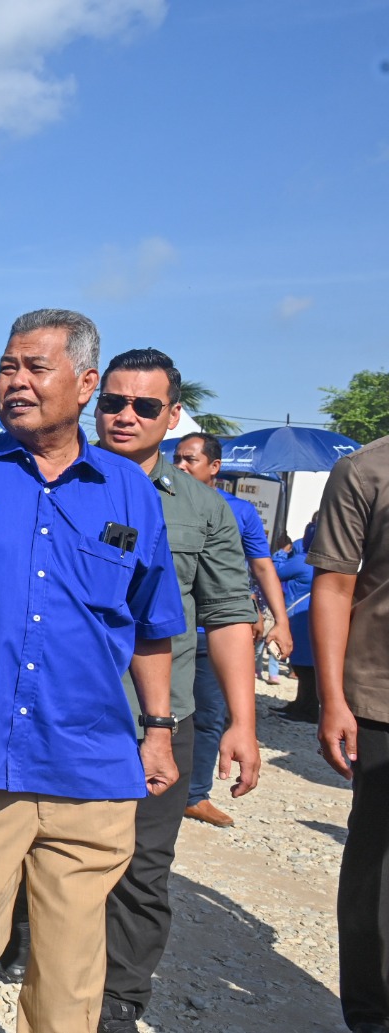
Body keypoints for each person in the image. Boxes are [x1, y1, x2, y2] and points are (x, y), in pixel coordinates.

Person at [0, 309, 184, 1033]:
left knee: (72, 959)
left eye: (34, 367)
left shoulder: (129, 492)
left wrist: (160, 729)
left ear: (84, 383)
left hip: (91, 760)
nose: (15, 381)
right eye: (7, 366)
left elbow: (149, 624)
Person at [91, 348, 261, 1033]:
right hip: (64, 713)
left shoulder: (202, 509)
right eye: (113, 402)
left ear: (173, 414)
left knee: (141, 871)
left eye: (144, 406)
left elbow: (226, 615)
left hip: (160, 721)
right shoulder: (55, 481)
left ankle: (119, 1000)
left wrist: (242, 722)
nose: (125, 416)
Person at [307, 435, 389, 1033]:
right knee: (377, 873)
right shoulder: (366, 470)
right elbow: (335, 585)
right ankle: (371, 1014)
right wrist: (333, 699)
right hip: (382, 698)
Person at [173, 431, 294, 828]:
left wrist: (281, 620)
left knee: (208, 717)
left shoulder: (239, 512)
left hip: (216, 634)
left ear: (214, 466)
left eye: (190, 459)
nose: (181, 466)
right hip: (169, 635)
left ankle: (194, 795)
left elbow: (261, 566)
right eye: (177, 458)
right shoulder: (157, 498)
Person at [273, 519, 319, 723]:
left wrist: (282, 552)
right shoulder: (317, 562)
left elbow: (273, 571)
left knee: (304, 668)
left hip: (299, 621)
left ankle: (307, 709)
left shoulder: (303, 561)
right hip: (310, 619)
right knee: (306, 668)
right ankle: (301, 704)